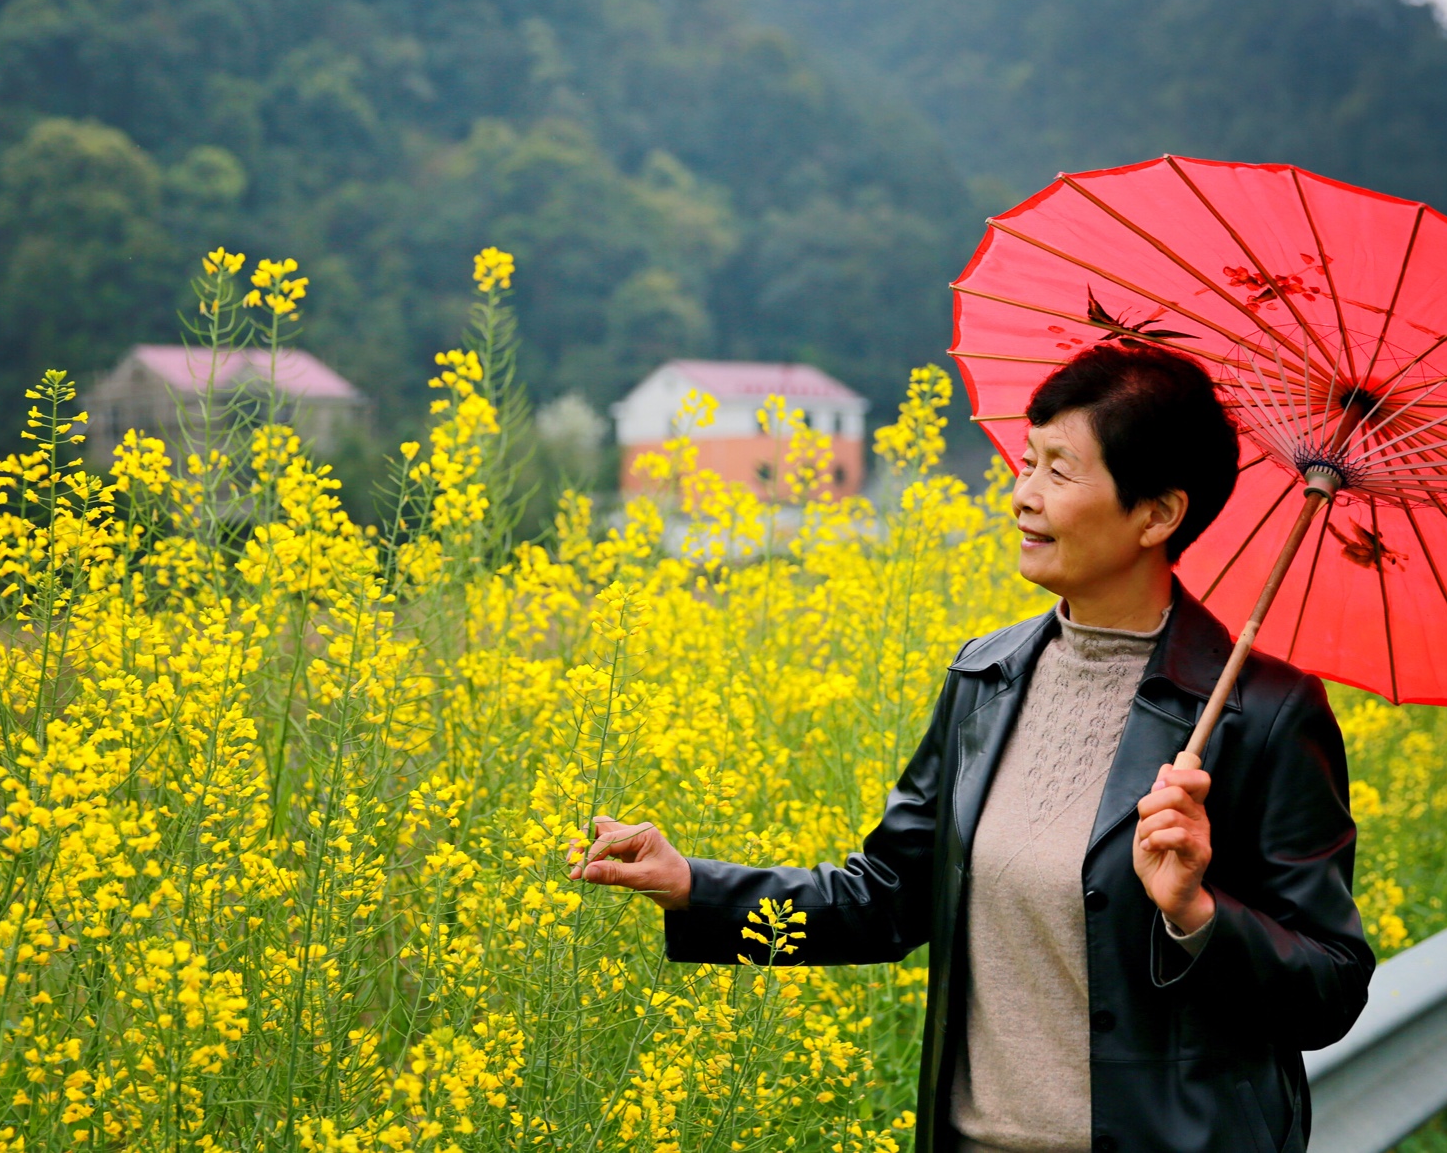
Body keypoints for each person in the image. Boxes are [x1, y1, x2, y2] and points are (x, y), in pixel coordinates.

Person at [569, 345, 1373, 1153]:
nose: (1023, 497)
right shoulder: (984, 678)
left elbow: (1331, 987)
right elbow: (889, 896)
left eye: (1060, 473)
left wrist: (1196, 912)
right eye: (1027, 463)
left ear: (1157, 515)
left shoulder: (1262, 716)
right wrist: (693, 888)